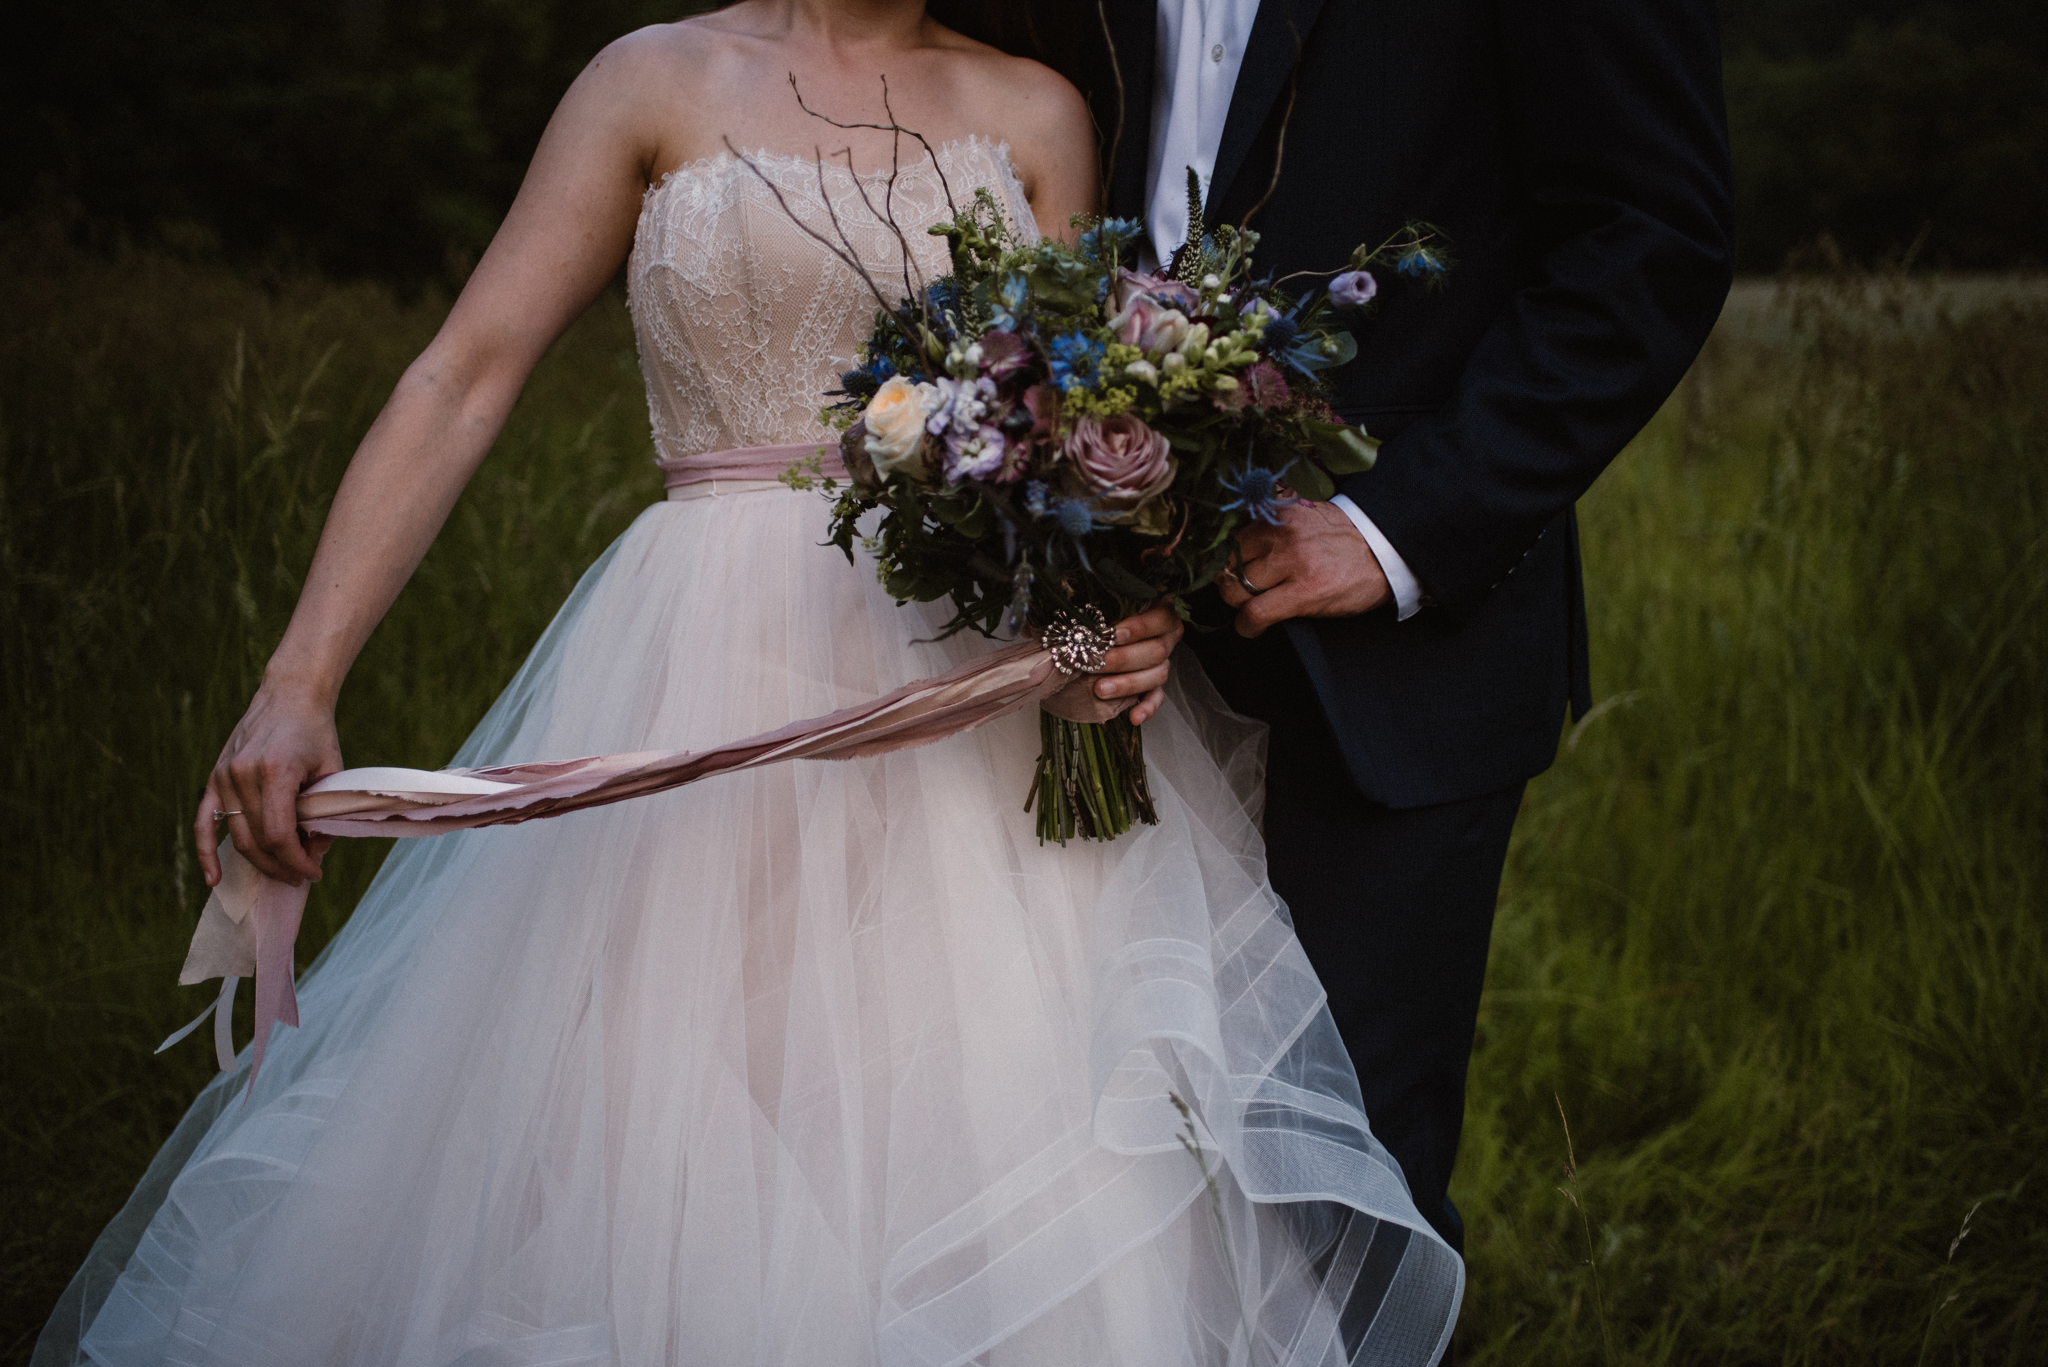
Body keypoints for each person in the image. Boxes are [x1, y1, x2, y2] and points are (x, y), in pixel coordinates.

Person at [37, 3, 1466, 1364]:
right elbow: (462, 374)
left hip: (956, 705)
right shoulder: (647, 80)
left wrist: (1095, 652)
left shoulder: (1036, 109)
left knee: (959, 1133)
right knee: (647, 1128)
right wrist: (300, 674)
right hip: (686, 675)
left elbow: (1082, 455)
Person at [1081, 0, 1735, 1258]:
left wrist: (1396, 527)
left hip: (1387, 661)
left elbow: (1650, 234)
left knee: (1336, 1205)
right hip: (1109, 630)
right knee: (1105, 1174)